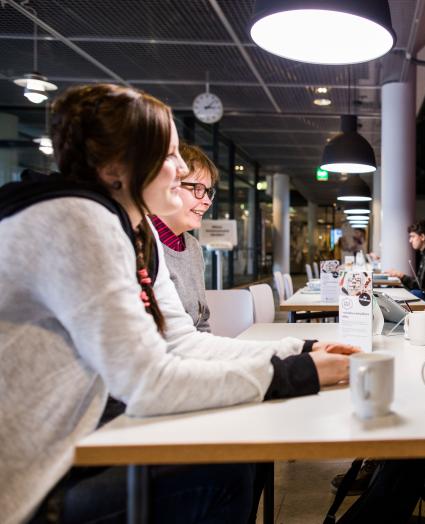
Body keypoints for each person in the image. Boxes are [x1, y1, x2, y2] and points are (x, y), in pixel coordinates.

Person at [0, 84, 358, 524]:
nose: (179, 169)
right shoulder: (76, 220)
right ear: (117, 167)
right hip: (33, 486)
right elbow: (148, 383)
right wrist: (297, 373)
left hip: (81, 442)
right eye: (169, 156)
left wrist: (299, 352)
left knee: (238, 451)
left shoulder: (135, 230)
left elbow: (183, 341)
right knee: (226, 468)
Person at [151, 143, 216, 331]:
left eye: (208, 191)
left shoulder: (192, 246)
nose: (206, 201)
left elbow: (202, 322)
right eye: (197, 188)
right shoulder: (142, 244)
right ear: (168, 185)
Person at [385, 220, 425, 298]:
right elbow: (419, 283)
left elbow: (421, 287)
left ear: (422, 237)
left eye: (413, 236)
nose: (410, 240)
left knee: (409, 293)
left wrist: (400, 275)